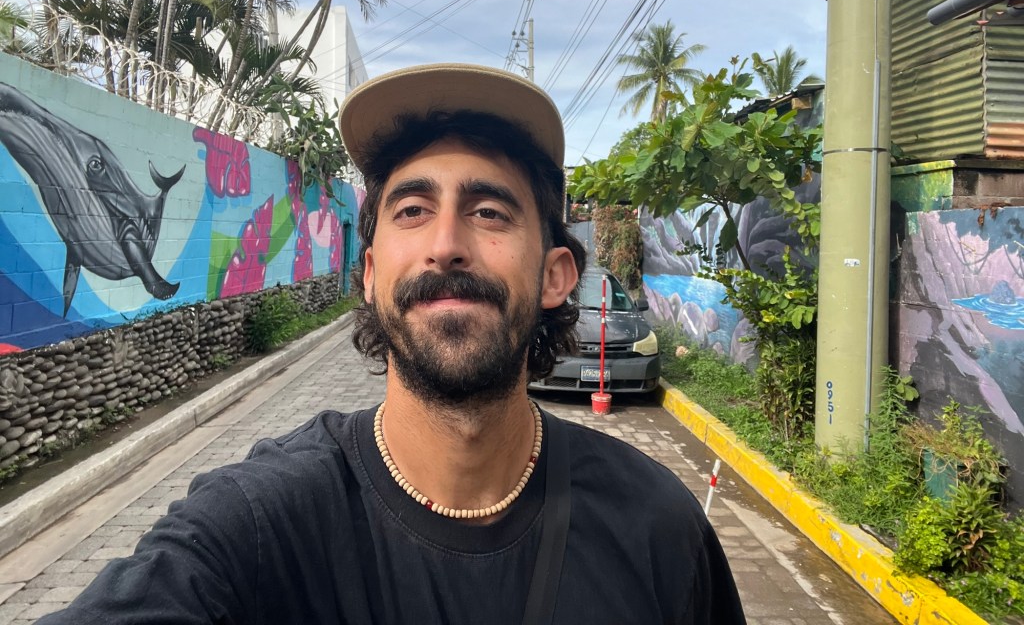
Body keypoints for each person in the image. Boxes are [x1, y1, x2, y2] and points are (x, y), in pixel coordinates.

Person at [38, 63, 746, 624]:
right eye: (411, 210)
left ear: (555, 275)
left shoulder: (658, 530)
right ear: (372, 274)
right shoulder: (255, 530)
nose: (446, 244)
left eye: (489, 211)